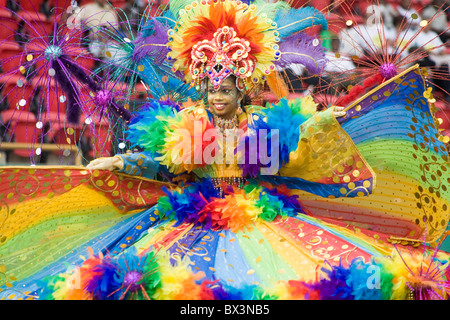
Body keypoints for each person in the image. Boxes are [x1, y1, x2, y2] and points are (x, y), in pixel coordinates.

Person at [1, 0, 449, 301]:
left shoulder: (262, 126)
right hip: (190, 218)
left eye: (227, 90)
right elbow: (159, 162)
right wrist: (119, 161)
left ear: (243, 91)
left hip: (263, 218)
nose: (218, 97)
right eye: (212, 89)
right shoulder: (186, 125)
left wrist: (328, 126)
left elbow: (296, 156)